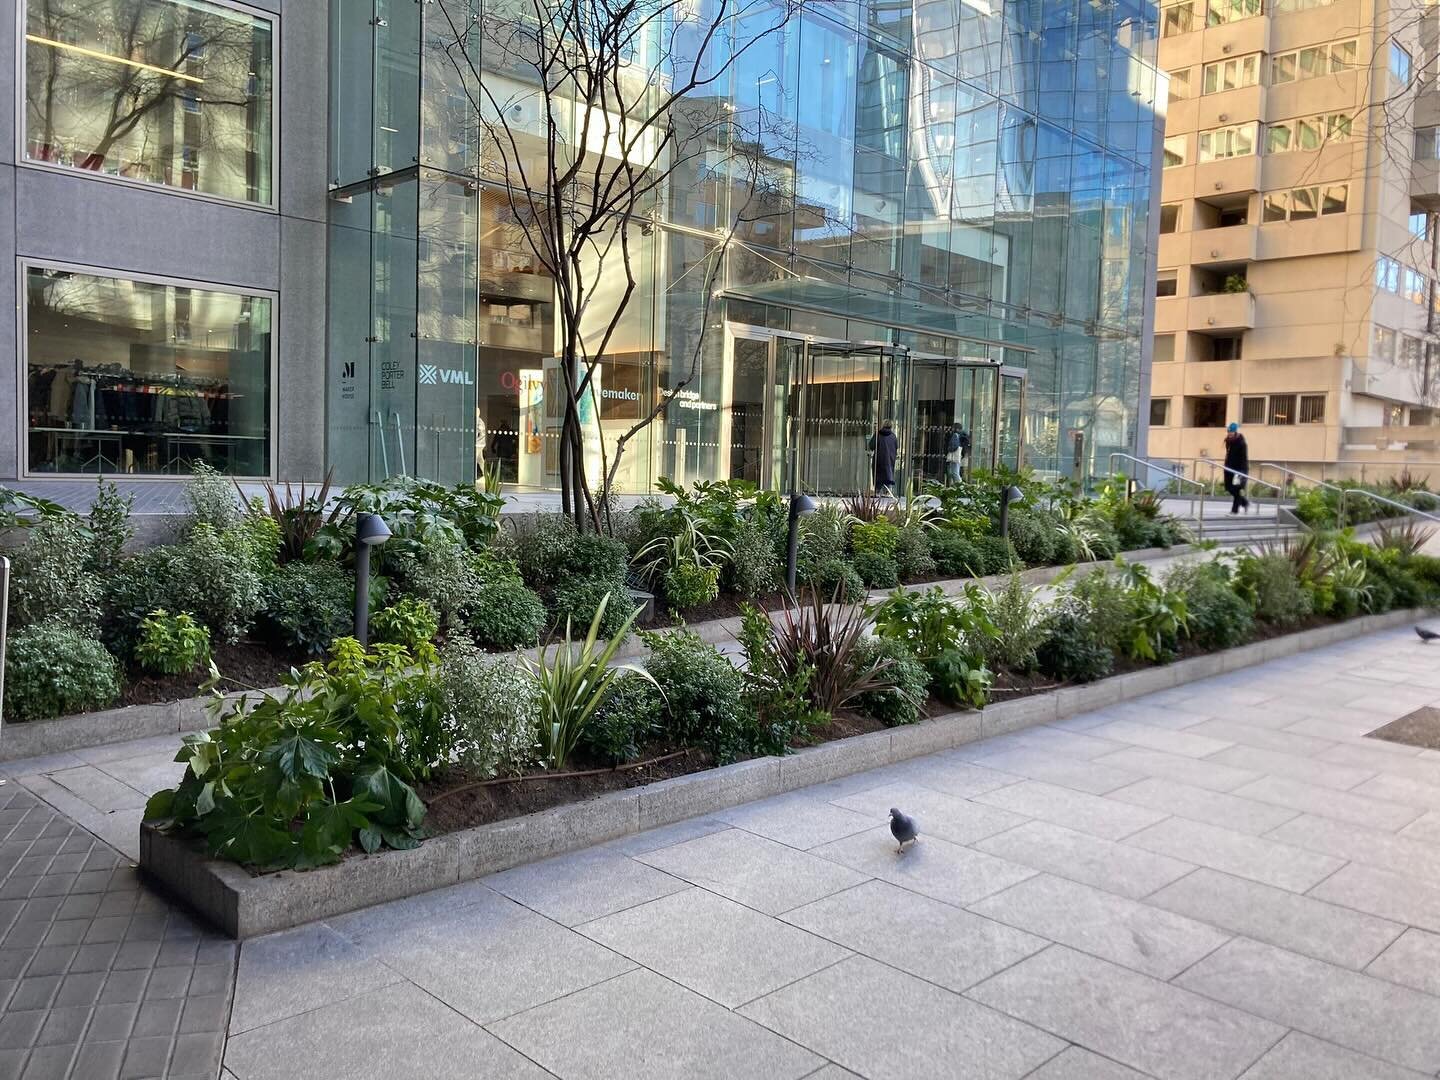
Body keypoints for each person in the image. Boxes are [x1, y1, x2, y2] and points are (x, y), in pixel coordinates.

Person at [1223, 421, 1249, 514]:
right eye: (1228, 432)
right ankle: (1244, 502)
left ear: (1235, 432)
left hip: (1239, 470)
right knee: (1229, 488)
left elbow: (1243, 459)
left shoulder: (1241, 443)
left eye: (1231, 432)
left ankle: (1234, 510)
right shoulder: (1228, 442)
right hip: (1229, 469)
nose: (1229, 434)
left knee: (1236, 489)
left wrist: (1241, 473)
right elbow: (1228, 455)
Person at [873, 420, 898, 495]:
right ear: (891, 426)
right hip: (890, 460)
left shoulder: (878, 435)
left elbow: (871, 445)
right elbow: (896, 447)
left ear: (883, 425)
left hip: (879, 460)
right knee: (888, 475)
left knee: (878, 476)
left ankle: (877, 491)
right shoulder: (893, 436)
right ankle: (888, 491)